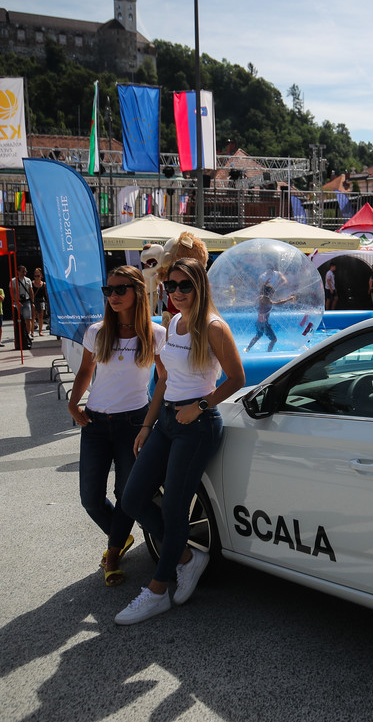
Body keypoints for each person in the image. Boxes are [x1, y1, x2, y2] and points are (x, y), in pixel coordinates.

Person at [117, 257, 245, 624]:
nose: (176, 292)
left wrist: (200, 406)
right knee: (131, 497)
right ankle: (188, 558)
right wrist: (146, 424)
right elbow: (164, 380)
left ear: (200, 285)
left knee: (174, 510)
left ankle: (158, 591)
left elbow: (236, 378)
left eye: (183, 285)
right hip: (167, 421)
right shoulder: (172, 322)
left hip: (197, 424)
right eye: (170, 286)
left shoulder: (214, 327)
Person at [68, 266, 167, 589]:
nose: (112, 296)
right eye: (107, 290)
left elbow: (165, 379)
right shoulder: (97, 332)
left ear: (138, 291)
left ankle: (112, 554)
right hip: (95, 422)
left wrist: (150, 423)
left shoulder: (155, 334)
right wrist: (73, 403)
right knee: (90, 500)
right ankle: (120, 537)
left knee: (126, 495)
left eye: (119, 289)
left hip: (133, 423)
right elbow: (85, 371)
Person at [244, 284, 295, 352]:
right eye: (272, 293)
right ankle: (268, 352)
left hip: (258, 323)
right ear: (269, 294)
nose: (273, 295)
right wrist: (289, 299)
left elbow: (262, 291)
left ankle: (248, 348)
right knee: (274, 339)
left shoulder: (260, 298)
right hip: (264, 324)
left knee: (257, 336)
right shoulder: (268, 301)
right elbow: (278, 303)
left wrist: (265, 284)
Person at [11, 266, 33, 349]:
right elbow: (12, 292)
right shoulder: (13, 281)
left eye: (25, 271)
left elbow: (31, 291)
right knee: (18, 320)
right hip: (18, 302)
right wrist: (16, 301)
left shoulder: (28, 280)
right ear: (18, 272)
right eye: (23, 271)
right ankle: (20, 336)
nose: (24, 273)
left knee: (28, 319)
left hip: (26, 301)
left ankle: (27, 335)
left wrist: (32, 302)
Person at [31, 268, 48, 336]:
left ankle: (40, 331)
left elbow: (46, 294)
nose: (37, 277)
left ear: (41, 276)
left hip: (41, 300)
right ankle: (32, 331)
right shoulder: (32, 283)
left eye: (38, 276)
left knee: (40, 316)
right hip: (34, 300)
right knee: (33, 316)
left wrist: (48, 301)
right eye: (35, 276)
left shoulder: (44, 284)